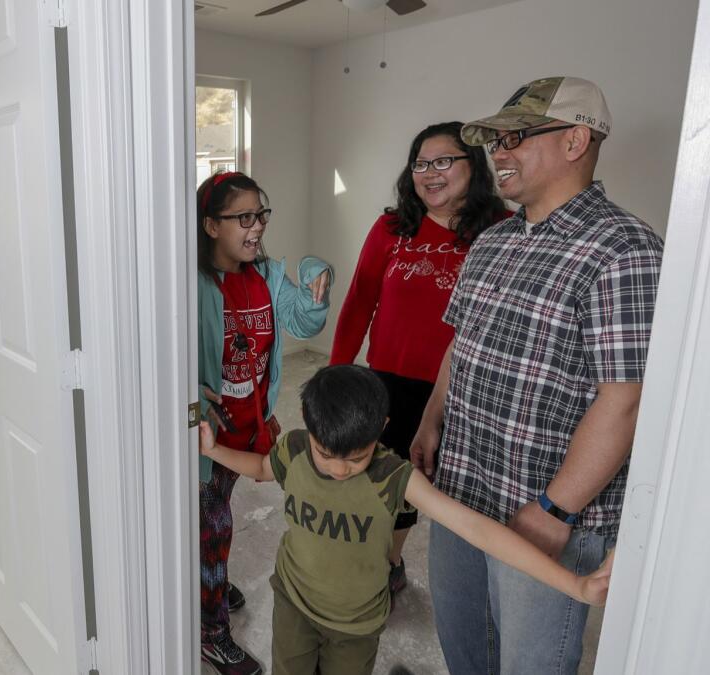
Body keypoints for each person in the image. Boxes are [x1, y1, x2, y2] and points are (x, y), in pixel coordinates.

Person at [410, 76, 664, 674]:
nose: (498, 152)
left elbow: (625, 402)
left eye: (516, 136)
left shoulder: (625, 250)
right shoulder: (493, 240)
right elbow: (461, 343)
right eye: (496, 139)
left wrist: (555, 510)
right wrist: (430, 421)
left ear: (576, 140)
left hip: (544, 516)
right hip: (462, 495)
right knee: (465, 651)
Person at [198, 364, 613, 675]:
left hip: (356, 627)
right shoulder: (293, 449)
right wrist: (213, 450)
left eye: (356, 457)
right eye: (326, 455)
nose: (340, 470)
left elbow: (476, 528)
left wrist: (574, 584)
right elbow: (258, 468)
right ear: (308, 427)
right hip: (293, 604)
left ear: (381, 429)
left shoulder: (392, 476)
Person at [329, 121, 508, 597]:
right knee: (383, 479)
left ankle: (412, 567)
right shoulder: (392, 227)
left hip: (460, 387)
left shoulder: (502, 230)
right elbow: (359, 300)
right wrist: (337, 372)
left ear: (474, 166)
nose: (430, 173)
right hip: (388, 380)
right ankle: (380, 559)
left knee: (435, 485)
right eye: (421, 163)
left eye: (444, 161)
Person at [196, 171, 332, 675]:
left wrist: (316, 293)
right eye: (243, 218)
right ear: (211, 225)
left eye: (261, 215)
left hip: (250, 426)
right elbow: (163, 352)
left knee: (215, 521)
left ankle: (207, 581)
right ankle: (211, 633)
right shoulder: (191, 283)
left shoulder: (268, 274)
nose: (257, 227)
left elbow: (300, 322)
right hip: (207, 437)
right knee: (213, 527)